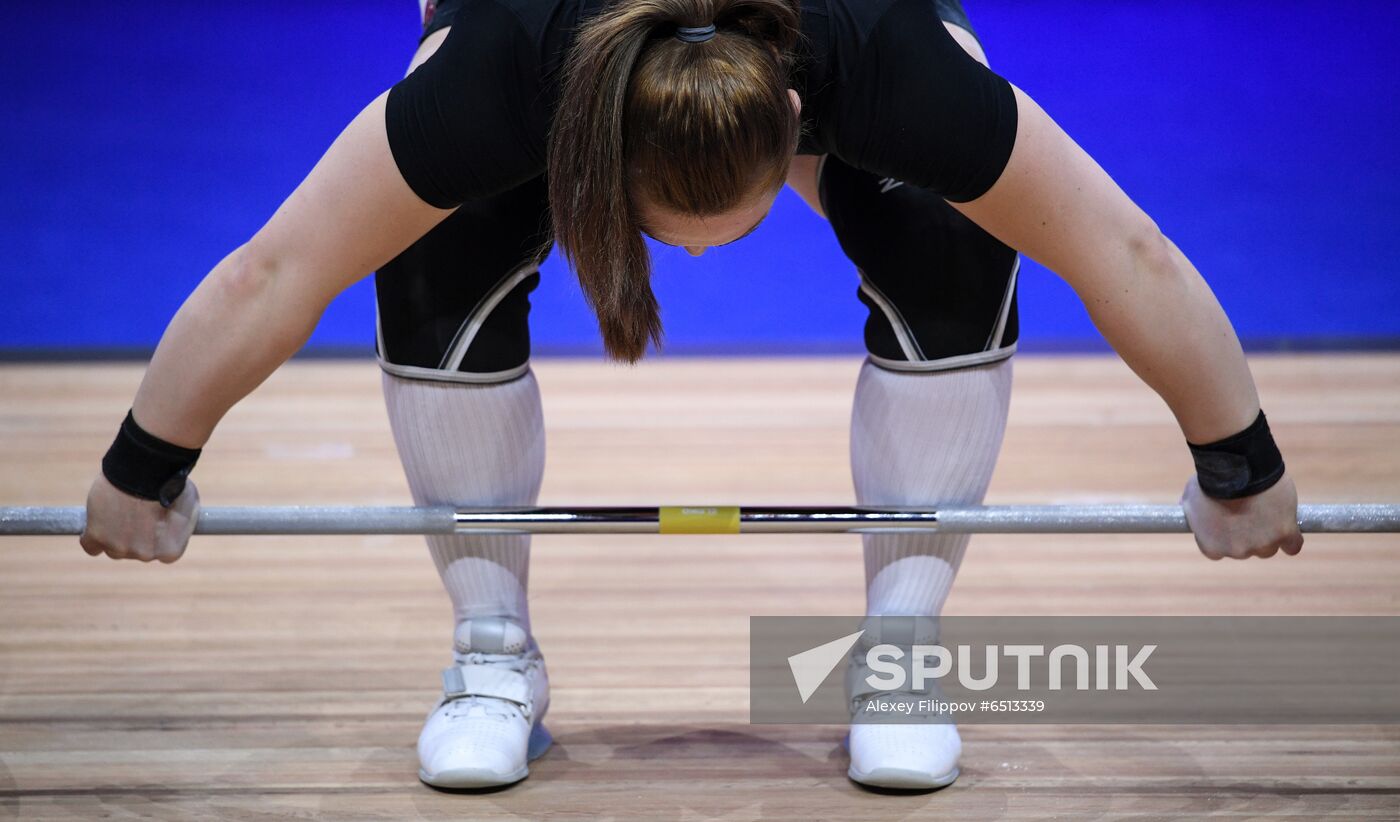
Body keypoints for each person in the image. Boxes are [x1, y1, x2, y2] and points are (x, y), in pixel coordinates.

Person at [79, 0, 1304, 794]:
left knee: (950, 247)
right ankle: (490, 652)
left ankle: (898, 655)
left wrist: (1238, 460)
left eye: (734, 224)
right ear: (594, 157)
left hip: (835, 40)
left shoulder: (886, 65)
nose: (704, 262)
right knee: (433, 255)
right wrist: (142, 465)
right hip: (538, 48)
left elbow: (1120, 250)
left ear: (791, 122)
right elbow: (278, 268)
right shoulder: (500, 82)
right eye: (676, 235)